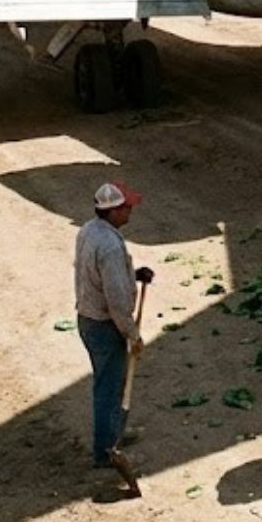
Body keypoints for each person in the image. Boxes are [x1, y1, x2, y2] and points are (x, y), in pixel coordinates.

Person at [74, 181, 154, 469]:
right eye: (126, 207)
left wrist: (132, 274)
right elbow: (117, 301)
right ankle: (106, 451)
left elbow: (101, 275)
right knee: (108, 390)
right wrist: (133, 334)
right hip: (105, 327)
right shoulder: (109, 245)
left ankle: (113, 435)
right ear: (113, 211)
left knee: (110, 384)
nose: (131, 210)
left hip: (87, 319)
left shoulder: (88, 230)